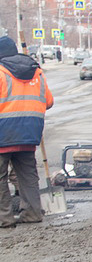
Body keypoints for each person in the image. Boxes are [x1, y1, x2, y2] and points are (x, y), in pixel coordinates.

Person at [0, 36, 54, 228]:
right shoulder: (36, 71)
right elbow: (48, 102)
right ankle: (32, 213)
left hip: (2, 133)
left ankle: (4, 218)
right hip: (29, 133)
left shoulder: (0, 72)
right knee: (27, 175)